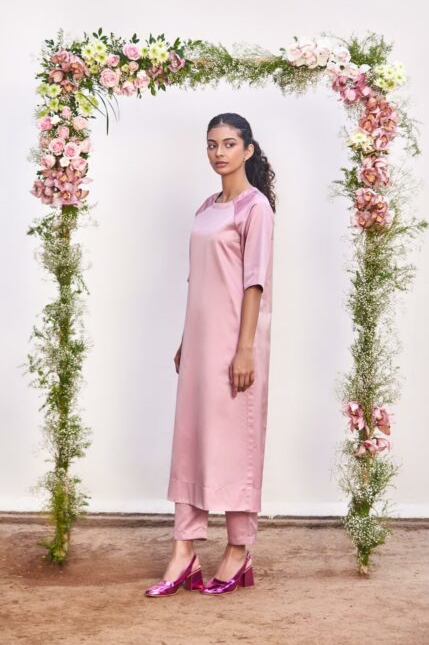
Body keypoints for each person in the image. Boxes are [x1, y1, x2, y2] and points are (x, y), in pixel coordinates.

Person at [145, 112, 276, 597]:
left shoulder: (255, 208)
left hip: (235, 344)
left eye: (229, 144)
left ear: (248, 149)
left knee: (236, 445)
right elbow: (198, 280)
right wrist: (186, 340)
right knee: (191, 440)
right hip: (200, 344)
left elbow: (254, 282)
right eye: (211, 144)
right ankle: (184, 550)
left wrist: (245, 350)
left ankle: (239, 550)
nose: (219, 153)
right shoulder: (206, 207)